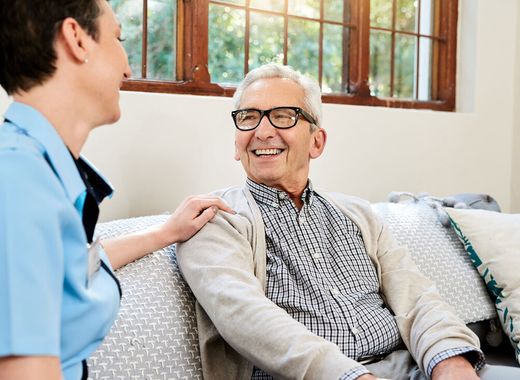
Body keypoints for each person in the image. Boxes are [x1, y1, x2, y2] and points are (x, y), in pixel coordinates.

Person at [176, 63, 520, 380]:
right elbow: (246, 319)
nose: (262, 131)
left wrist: (450, 363)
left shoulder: (358, 215)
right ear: (237, 143)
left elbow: (417, 298)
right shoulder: (214, 220)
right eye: (249, 117)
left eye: (282, 116)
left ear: (316, 141)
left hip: (409, 367)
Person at [0, 1, 233, 379]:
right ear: (76, 39)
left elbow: (68, 265)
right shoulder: (18, 182)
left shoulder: (37, 172)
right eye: (118, 38)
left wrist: (165, 233)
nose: (127, 67)